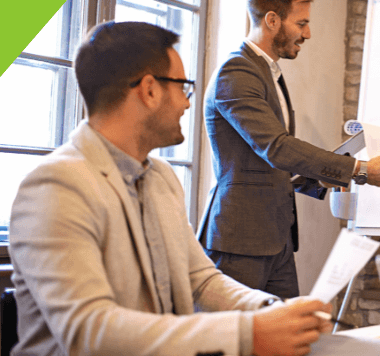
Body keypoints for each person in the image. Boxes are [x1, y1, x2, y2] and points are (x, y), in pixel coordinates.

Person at [9, 21, 334, 356]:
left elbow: (202, 279)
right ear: (149, 90)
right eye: (183, 87)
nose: (187, 103)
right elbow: (89, 331)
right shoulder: (56, 186)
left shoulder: (161, 177)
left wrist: (270, 308)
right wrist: (244, 333)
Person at [199, 0, 380, 299]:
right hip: (241, 240)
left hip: (277, 237)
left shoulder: (267, 71)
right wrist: (359, 170)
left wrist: (317, 179)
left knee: (289, 341)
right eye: (302, 23)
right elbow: (275, 147)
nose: (307, 34)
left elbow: (265, 160)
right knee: (235, 344)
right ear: (272, 20)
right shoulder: (236, 72)